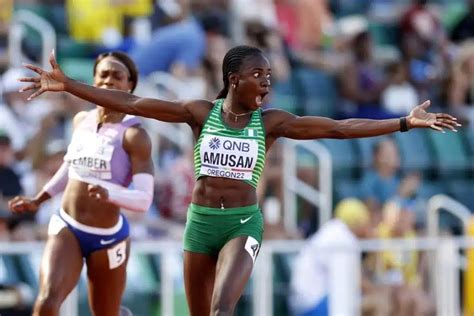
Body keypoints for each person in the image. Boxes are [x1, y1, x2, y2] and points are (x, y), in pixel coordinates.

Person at [19, 45, 459, 315]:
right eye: (259, 75)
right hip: (200, 223)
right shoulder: (198, 113)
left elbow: (339, 128)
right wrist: (70, 85)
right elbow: (132, 100)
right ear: (235, 79)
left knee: (221, 309)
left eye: (268, 75)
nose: (267, 82)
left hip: (243, 224)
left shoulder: (272, 122)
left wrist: (402, 122)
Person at [9, 51, 154, 316]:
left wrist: (109, 192)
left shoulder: (136, 135)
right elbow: (69, 167)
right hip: (68, 226)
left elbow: (144, 199)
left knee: (105, 312)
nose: (109, 81)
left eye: (117, 76)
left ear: (130, 84)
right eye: (104, 75)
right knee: (47, 302)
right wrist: (39, 198)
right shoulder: (81, 121)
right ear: (94, 81)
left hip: (108, 238)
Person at [289, 198, 392, 316]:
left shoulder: (333, 231)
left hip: (306, 304)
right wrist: (379, 292)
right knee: (378, 302)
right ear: (358, 222)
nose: (368, 228)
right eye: (366, 223)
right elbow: (356, 281)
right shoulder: (344, 238)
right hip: (314, 306)